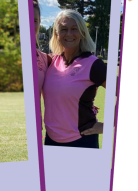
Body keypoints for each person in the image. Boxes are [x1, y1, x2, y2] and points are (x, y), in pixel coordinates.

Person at [43, 10, 106, 148]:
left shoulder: (93, 64)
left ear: (82, 32)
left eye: (74, 29)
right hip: (50, 140)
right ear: (56, 34)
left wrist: (108, 125)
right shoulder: (51, 61)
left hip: (81, 141)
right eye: (64, 29)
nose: (69, 34)